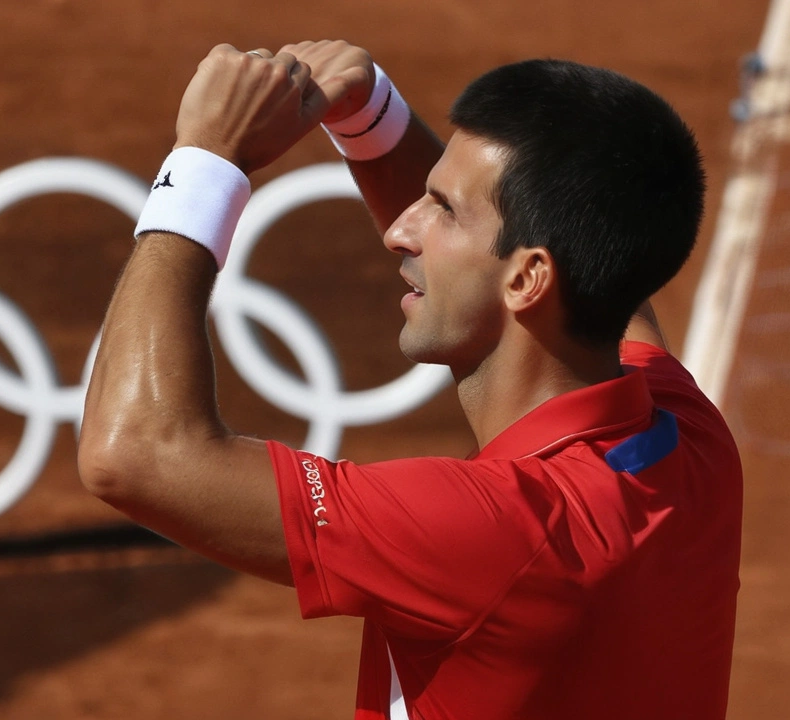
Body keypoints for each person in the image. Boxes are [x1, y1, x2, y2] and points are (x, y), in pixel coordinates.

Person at [76, 39, 742, 720]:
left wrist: (205, 164)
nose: (398, 231)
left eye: (442, 209)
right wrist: (371, 118)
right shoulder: (689, 443)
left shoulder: (493, 533)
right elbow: (564, 256)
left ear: (528, 277)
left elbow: (134, 454)